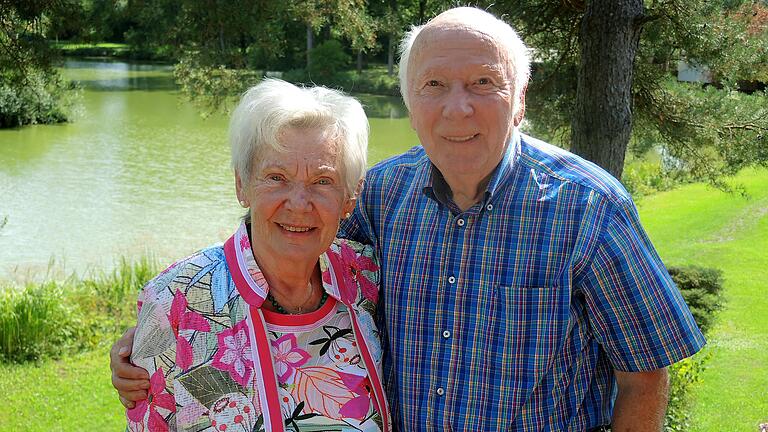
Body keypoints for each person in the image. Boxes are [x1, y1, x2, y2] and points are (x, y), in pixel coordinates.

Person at [112, 7, 705, 431]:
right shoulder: (384, 194)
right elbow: (291, 251)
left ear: (520, 100)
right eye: (434, 85)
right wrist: (167, 325)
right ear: (410, 103)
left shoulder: (588, 207)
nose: (458, 107)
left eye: (483, 83)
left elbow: (645, 373)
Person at [120, 78, 391, 432]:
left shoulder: (366, 278)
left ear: (350, 197)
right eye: (276, 177)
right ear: (241, 185)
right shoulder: (176, 300)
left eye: (322, 181)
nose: (298, 203)